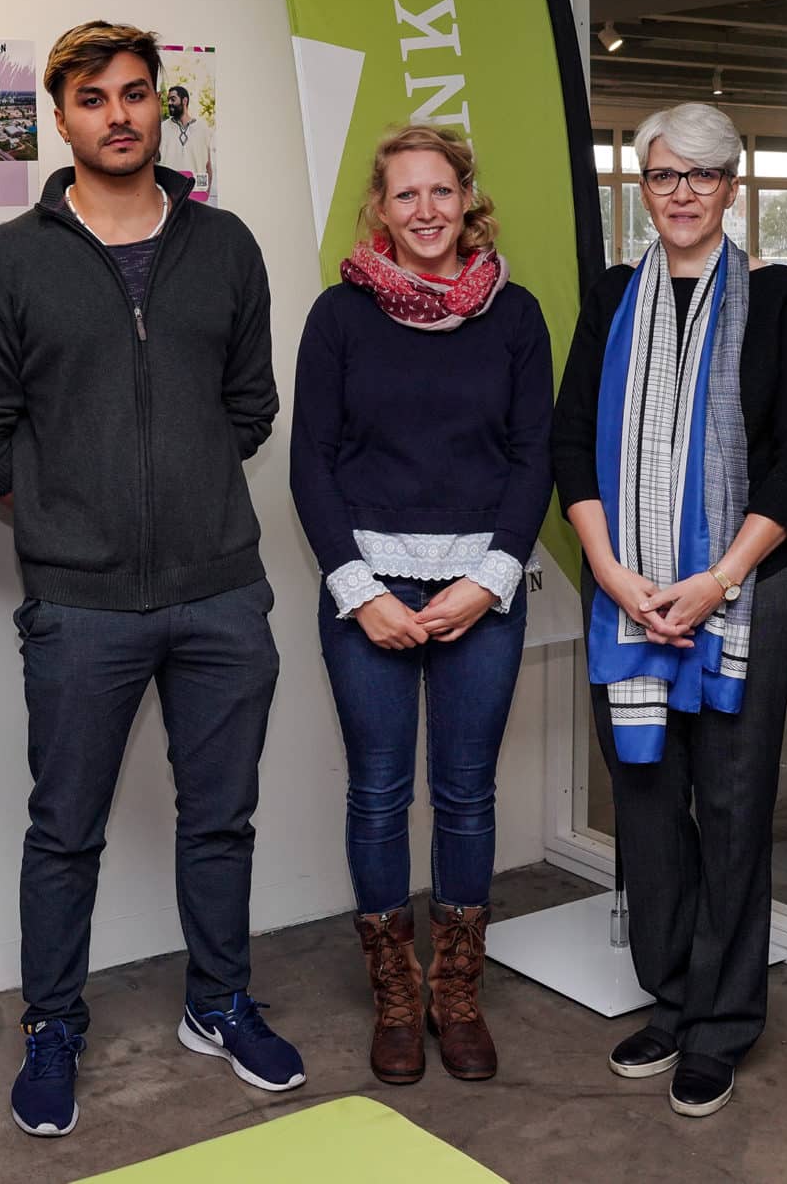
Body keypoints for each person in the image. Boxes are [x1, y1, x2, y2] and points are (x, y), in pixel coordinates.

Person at [0, 20, 296, 1139]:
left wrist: (180, 489)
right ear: (62, 116)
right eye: (93, 98)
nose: (119, 114)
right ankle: (53, 1024)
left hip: (219, 590)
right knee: (65, 829)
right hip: (80, 602)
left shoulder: (226, 245)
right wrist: (57, 510)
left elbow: (252, 403)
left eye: (137, 94)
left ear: (160, 108)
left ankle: (217, 999)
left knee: (222, 817)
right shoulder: (10, 258)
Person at [550, 102, 787, 1121]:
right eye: (664, 175)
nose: (681, 192)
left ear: (730, 188)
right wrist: (613, 573)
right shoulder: (613, 294)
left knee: (730, 803)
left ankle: (720, 1023)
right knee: (646, 806)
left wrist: (712, 579)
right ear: (642, 186)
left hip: (746, 589)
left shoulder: (775, 296)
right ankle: (671, 997)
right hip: (628, 594)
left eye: (702, 176)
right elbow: (569, 440)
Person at [290, 124, 552, 1085]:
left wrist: (487, 582)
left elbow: (536, 457)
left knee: (467, 793)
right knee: (377, 791)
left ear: (466, 199)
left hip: (483, 586)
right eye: (406, 196)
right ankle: (396, 998)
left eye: (441, 192)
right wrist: (362, 596)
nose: (427, 211)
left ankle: (456, 993)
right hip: (370, 592)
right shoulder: (339, 317)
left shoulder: (516, 314)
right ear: (381, 209)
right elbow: (309, 462)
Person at [161, 81, 212, 199]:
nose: (169, 103)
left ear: (184, 101)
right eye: (168, 100)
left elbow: (207, 166)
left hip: (196, 196)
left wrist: (205, 192)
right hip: (171, 196)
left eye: (173, 99)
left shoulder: (203, 129)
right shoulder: (162, 129)